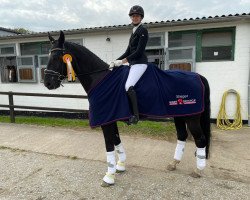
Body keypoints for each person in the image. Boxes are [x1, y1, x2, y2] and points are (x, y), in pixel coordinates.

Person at [110, 5, 148, 125]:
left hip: (140, 63)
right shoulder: (133, 32)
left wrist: (122, 62)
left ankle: (136, 116)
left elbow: (138, 52)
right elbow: (128, 52)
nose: (135, 18)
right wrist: (114, 61)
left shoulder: (143, 30)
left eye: (137, 16)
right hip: (133, 64)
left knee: (128, 86)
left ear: (141, 18)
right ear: (131, 18)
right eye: (133, 16)